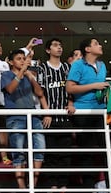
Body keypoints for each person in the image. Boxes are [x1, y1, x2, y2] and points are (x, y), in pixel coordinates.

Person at [1, 46, 51, 189]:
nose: (22, 61)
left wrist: (30, 76)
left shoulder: (28, 75)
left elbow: (40, 93)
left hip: (33, 116)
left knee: (40, 148)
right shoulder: (6, 75)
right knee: (18, 152)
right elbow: (10, 90)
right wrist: (22, 72)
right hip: (15, 117)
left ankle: (32, 186)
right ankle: (22, 188)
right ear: (11, 62)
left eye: (24, 59)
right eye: (19, 59)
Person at [66, 38, 109, 189]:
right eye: (96, 44)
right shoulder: (78, 65)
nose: (100, 45)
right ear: (87, 49)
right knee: (87, 150)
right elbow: (70, 88)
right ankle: (88, 186)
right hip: (83, 112)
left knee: (107, 148)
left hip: (101, 111)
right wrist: (94, 86)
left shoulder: (102, 65)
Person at [37, 38, 75, 190]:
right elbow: (40, 93)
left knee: (65, 152)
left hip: (65, 117)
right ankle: (52, 184)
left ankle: (63, 184)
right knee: (51, 152)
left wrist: (71, 103)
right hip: (49, 118)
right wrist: (47, 112)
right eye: (55, 45)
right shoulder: (42, 68)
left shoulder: (67, 67)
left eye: (60, 45)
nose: (59, 48)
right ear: (48, 50)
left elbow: (72, 87)